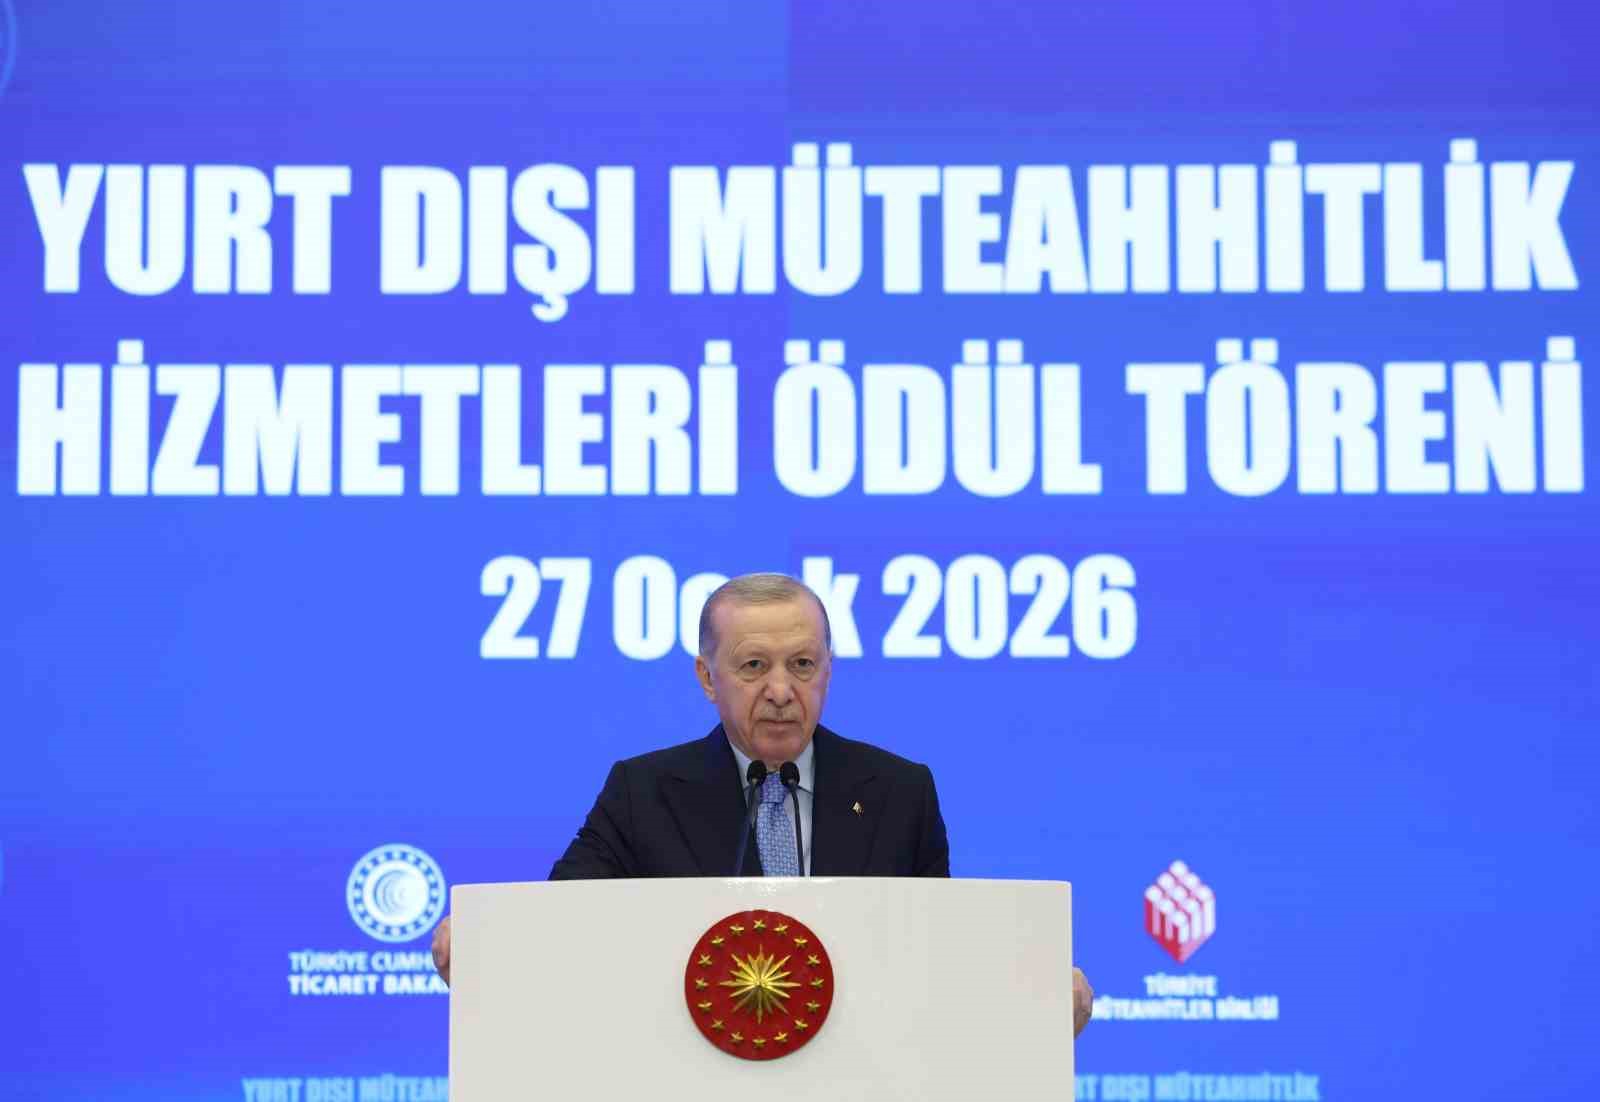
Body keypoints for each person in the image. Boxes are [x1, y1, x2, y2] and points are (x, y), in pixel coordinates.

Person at [431, 572, 1094, 1035]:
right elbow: (561, 924)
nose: (781, 690)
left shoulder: (899, 790)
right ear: (706, 677)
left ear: (828, 669)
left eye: (802, 665)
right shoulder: (643, 791)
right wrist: (491, 944)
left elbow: (938, 950)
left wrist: (1028, 994)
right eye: (753, 667)